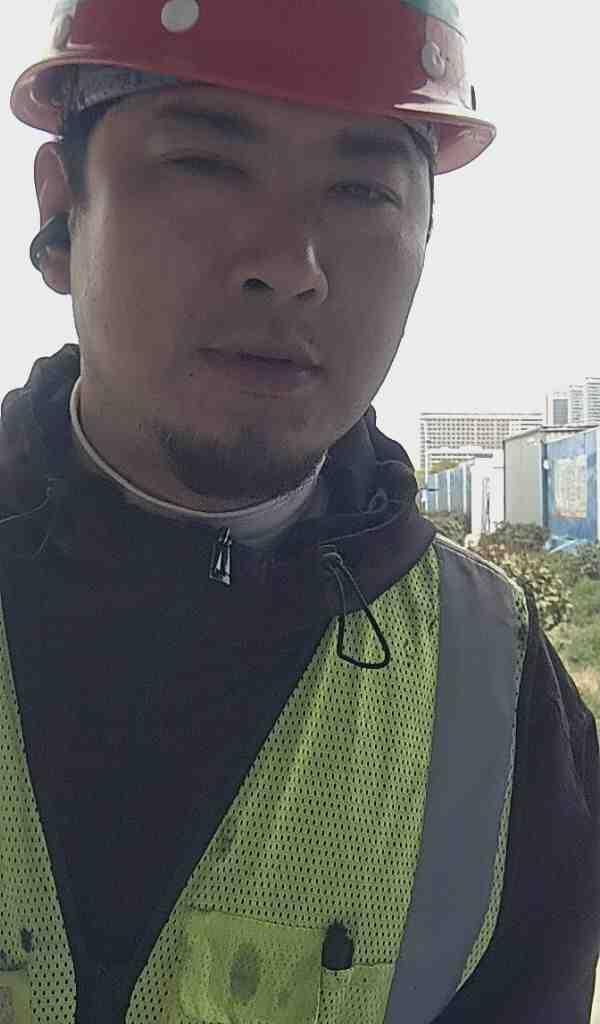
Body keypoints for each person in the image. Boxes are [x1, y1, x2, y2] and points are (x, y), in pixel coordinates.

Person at [2, 1, 598, 1021]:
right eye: (205, 164)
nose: (289, 264)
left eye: (361, 189)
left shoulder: (494, 691)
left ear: (427, 239)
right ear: (62, 215)